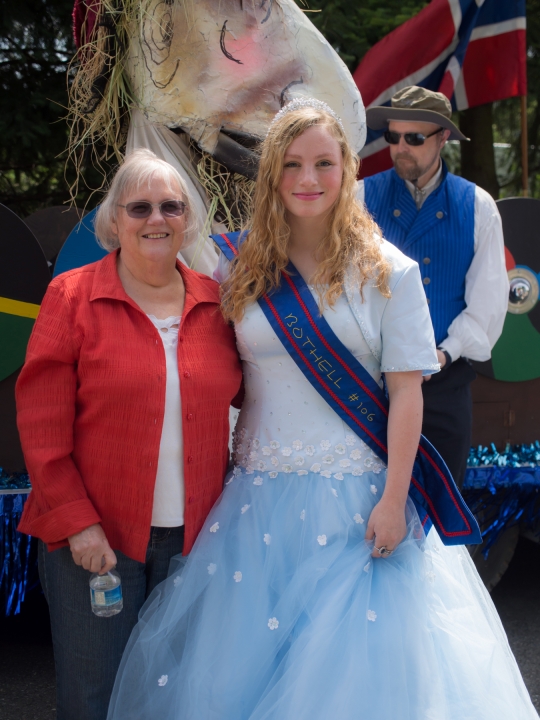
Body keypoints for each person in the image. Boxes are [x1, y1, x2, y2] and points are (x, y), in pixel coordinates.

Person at [107, 102, 538, 720]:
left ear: (348, 171)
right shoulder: (238, 267)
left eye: (324, 164)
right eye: (292, 164)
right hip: (254, 503)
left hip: (360, 504)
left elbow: (408, 393)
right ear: (273, 176)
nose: (307, 179)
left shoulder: (390, 272)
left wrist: (395, 501)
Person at [16, 148, 243, 720]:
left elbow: (258, 402)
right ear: (114, 220)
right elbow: (42, 428)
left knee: (176, 697)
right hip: (96, 546)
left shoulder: (217, 305)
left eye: (170, 206)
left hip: (194, 545)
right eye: (138, 207)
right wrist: (78, 525)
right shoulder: (71, 298)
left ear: (188, 219)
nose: (155, 219)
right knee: (95, 700)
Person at [358, 86, 508, 489]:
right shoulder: (357, 200)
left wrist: (443, 355)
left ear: (442, 138)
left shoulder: (477, 206)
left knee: (441, 517)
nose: (400, 148)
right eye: (393, 137)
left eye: (414, 138)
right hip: (367, 385)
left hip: (443, 388)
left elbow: (487, 307)